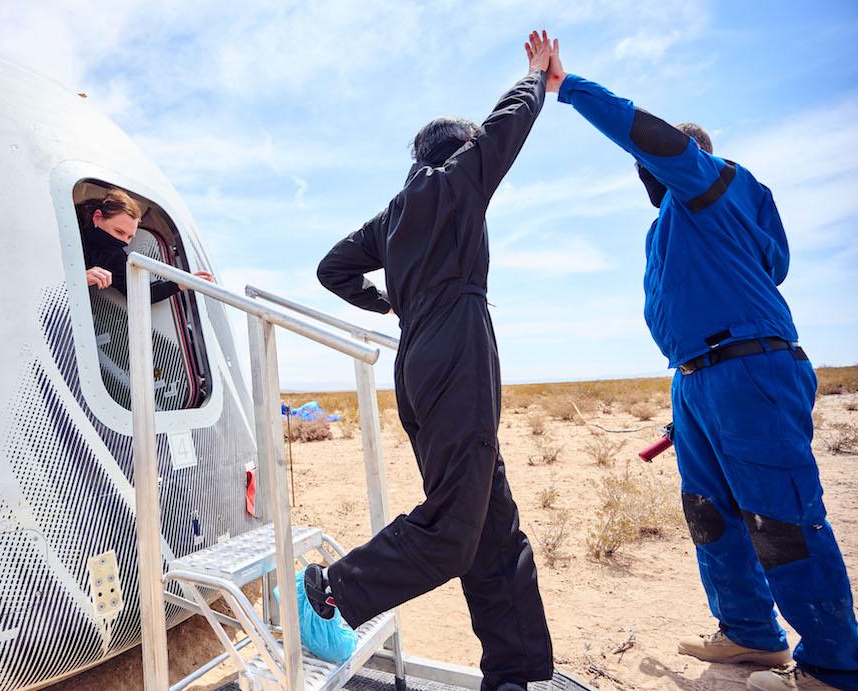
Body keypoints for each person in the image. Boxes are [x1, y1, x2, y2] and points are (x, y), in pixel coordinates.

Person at [544, 37, 858, 691]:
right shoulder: (668, 227)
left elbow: (655, 138)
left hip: (751, 372)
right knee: (709, 513)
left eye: (647, 162)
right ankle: (749, 633)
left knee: (782, 515)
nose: (643, 171)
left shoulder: (712, 184)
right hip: (699, 381)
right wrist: (692, 389)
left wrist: (568, 86)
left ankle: (834, 662)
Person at [304, 32, 558, 691]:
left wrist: (385, 300)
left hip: (418, 358)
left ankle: (513, 670)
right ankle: (331, 591)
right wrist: (535, 73)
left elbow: (332, 268)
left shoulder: (394, 215)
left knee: (491, 524)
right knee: (454, 527)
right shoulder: (461, 179)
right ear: (462, 148)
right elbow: (510, 123)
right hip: (457, 351)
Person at [78, 188, 212, 301]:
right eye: (119, 231)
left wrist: (182, 282)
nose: (124, 241)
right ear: (97, 217)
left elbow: (140, 293)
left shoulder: (115, 255)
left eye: (130, 237)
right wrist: (80, 278)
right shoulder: (67, 228)